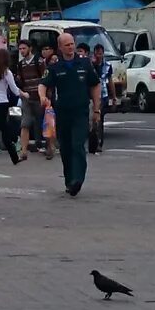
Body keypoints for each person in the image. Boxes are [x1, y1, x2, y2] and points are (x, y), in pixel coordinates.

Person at [45, 33, 99, 195]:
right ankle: (69, 180)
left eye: (72, 44)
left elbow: (95, 85)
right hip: (62, 113)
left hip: (80, 112)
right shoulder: (55, 66)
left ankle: (78, 180)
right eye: (67, 45)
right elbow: (45, 85)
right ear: (60, 47)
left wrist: (97, 108)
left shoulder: (84, 63)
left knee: (77, 145)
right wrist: (43, 98)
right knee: (66, 148)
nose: (70, 47)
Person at [0, 48, 28, 163]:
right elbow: (14, 90)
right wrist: (24, 94)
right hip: (2, 103)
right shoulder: (6, 72)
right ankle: (14, 157)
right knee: (3, 131)